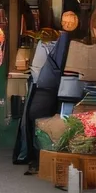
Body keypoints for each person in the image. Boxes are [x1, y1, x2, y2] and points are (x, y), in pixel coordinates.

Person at [15, 22, 73, 173]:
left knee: (36, 124)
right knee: (38, 126)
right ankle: (39, 159)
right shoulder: (56, 50)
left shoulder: (47, 49)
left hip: (42, 90)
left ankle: (38, 160)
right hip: (45, 89)